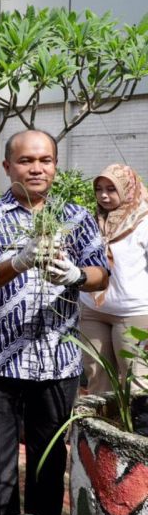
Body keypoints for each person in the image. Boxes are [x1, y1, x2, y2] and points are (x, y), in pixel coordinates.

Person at [0, 130, 108, 515]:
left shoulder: (76, 217)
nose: (36, 168)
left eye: (45, 160)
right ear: (7, 167)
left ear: (55, 166)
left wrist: (78, 274)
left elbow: (100, 275)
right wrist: (19, 262)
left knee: (49, 460)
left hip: (55, 359)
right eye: (26, 161)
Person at [79, 164, 148, 393]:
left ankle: (134, 430)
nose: (104, 195)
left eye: (111, 189)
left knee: (135, 381)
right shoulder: (92, 221)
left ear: (128, 189)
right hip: (92, 309)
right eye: (99, 189)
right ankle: (101, 429)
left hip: (132, 312)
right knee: (97, 377)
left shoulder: (143, 222)